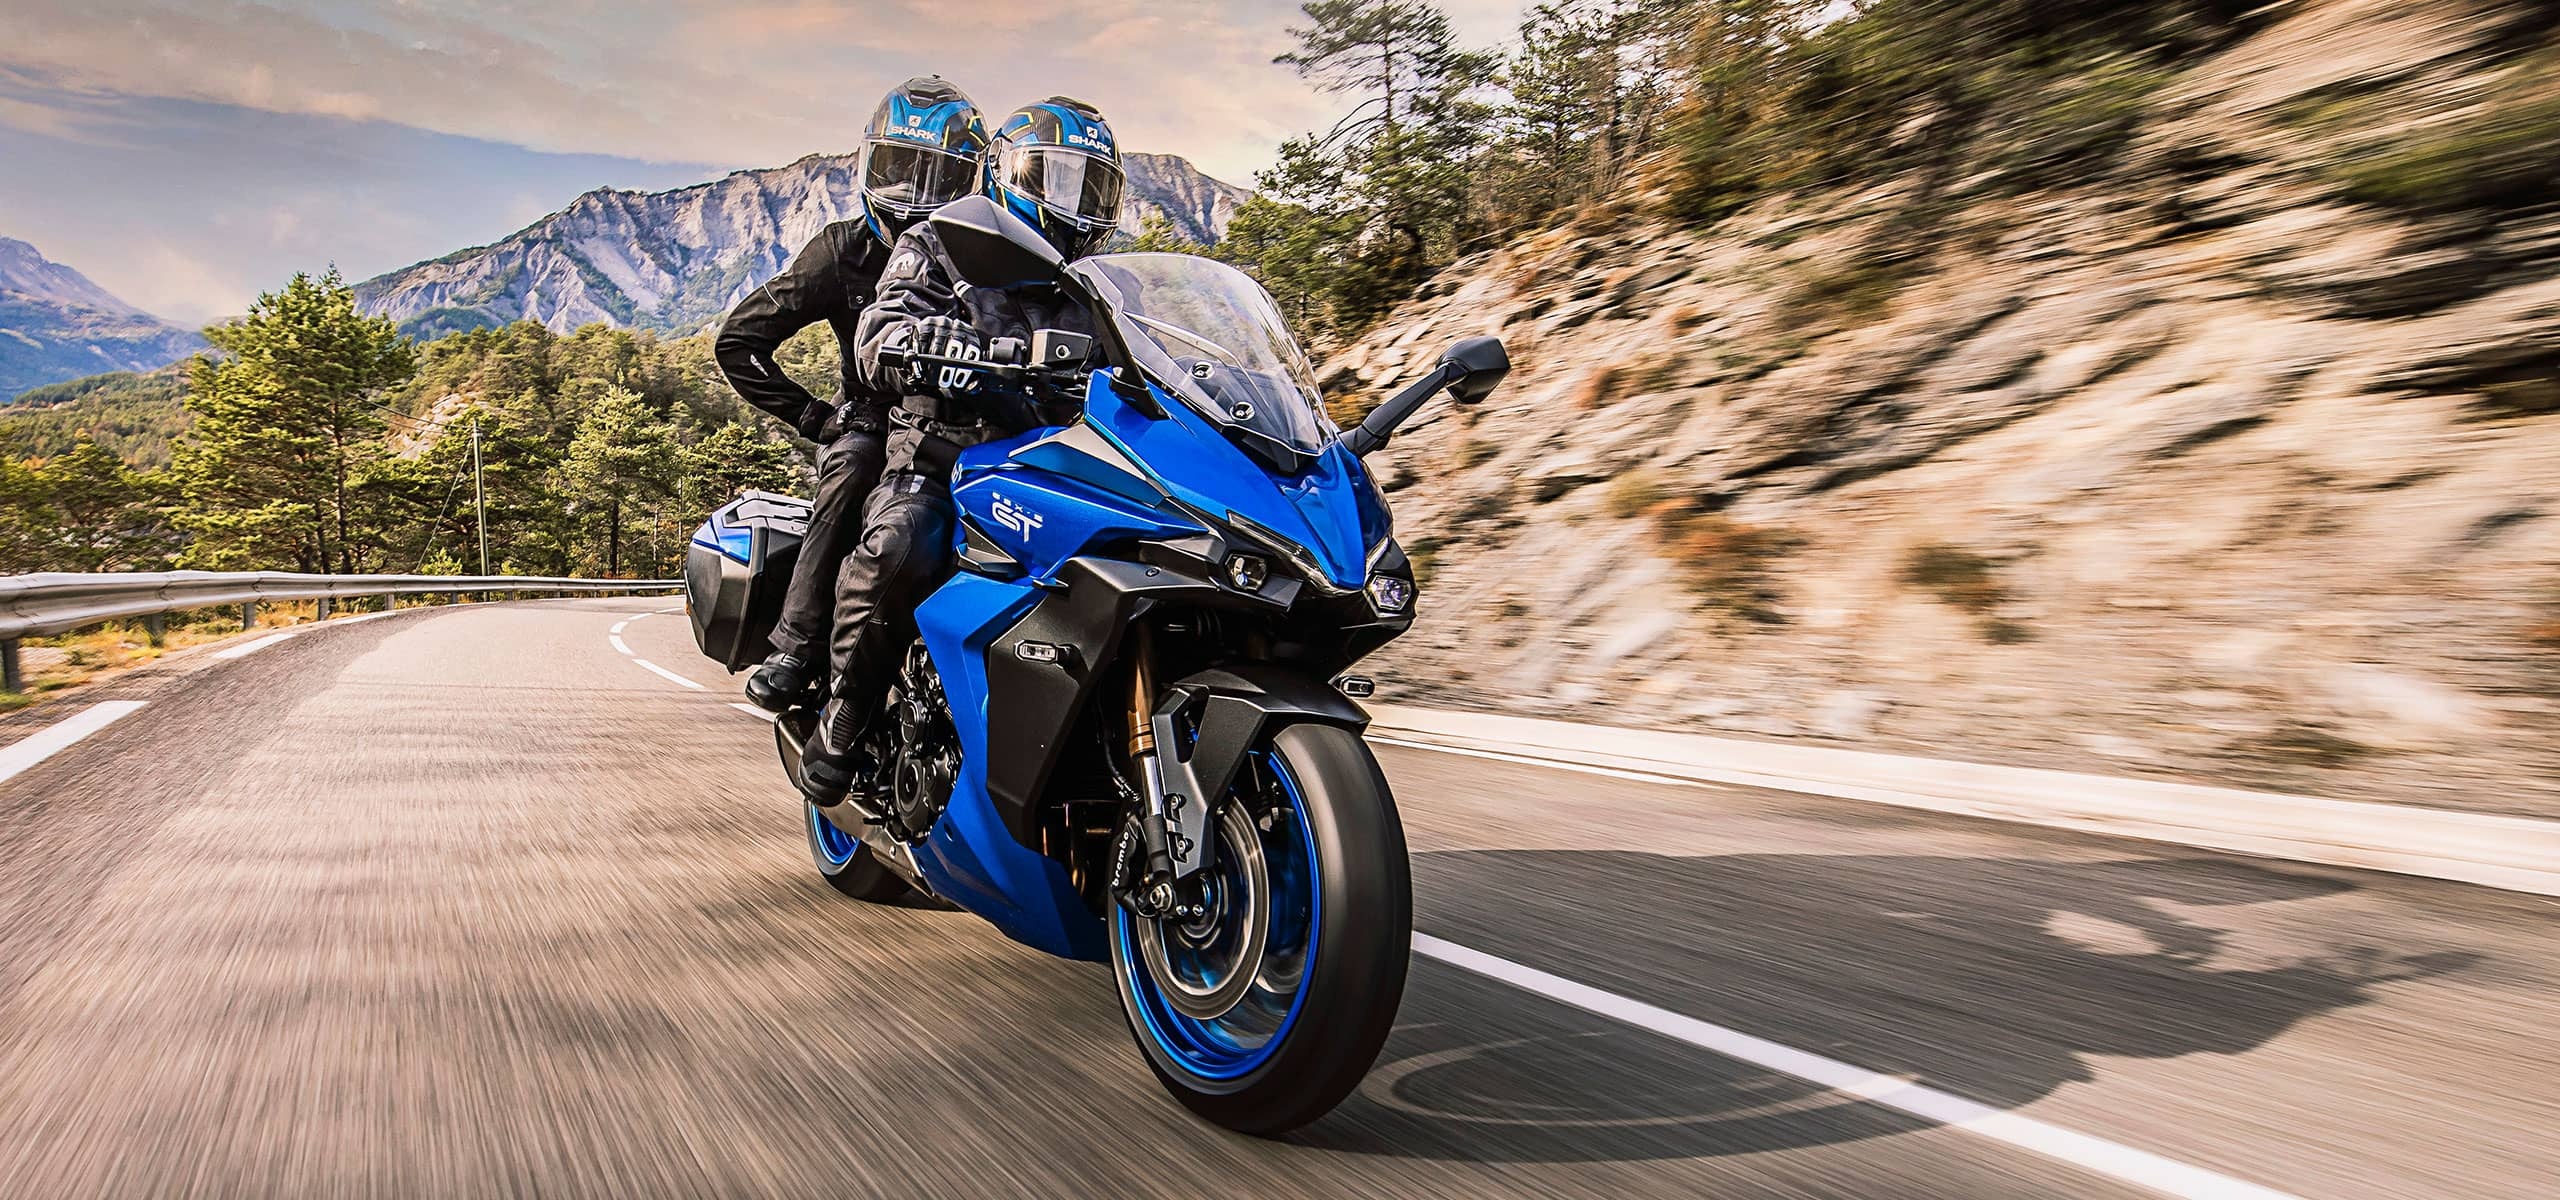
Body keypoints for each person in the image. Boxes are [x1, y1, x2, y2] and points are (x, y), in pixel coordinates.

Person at [801, 96, 1129, 801]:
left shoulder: (1100, 284)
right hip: (943, 456)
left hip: (1059, 465)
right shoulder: (941, 245)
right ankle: (846, 712)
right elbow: (878, 336)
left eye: (1093, 187)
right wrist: (948, 343)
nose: (1080, 206)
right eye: (1063, 180)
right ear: (1013, 175)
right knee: (903, 541)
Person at [715, 76, 988, 712]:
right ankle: (797, 643)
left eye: (940, 176)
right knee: (855, 464)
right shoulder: (843, 251)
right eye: (900, 168)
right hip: (872, 421)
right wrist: (815, 417)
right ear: (869, 162)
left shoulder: (986, 253)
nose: (916, 195)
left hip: (964, 421)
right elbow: (739, 341)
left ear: (972, 182)